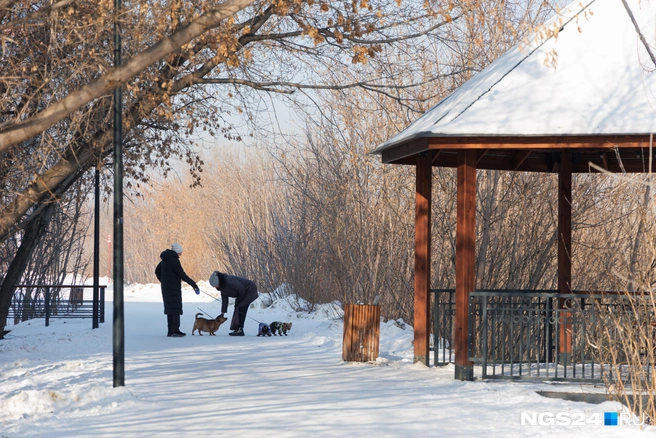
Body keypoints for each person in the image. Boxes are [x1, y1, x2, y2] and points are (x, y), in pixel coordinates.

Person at [155, 243, 200, 337]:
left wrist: (164, 281)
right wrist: (193, 284)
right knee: (175, 308)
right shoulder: (174, 260)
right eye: (180, 252)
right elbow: (181, 274)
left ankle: (170, 331)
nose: (181, 254)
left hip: (166, 288)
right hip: (174, 288)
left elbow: (157, 271)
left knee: (169, 309)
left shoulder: (164, 260)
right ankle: (175, 330)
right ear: (177, 251)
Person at [209, 271, 258, 336]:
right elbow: (224, 301)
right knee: (238, 307)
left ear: (219, 282)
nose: (216, 287)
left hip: (250, 289)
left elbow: (241, 289)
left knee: (241, 307)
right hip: (242, 293)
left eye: (216, 285)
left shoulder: (230, 280)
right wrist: (222, 313)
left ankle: (240, 329)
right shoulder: (222, 288)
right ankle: (237, 328)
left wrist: (239, 301)